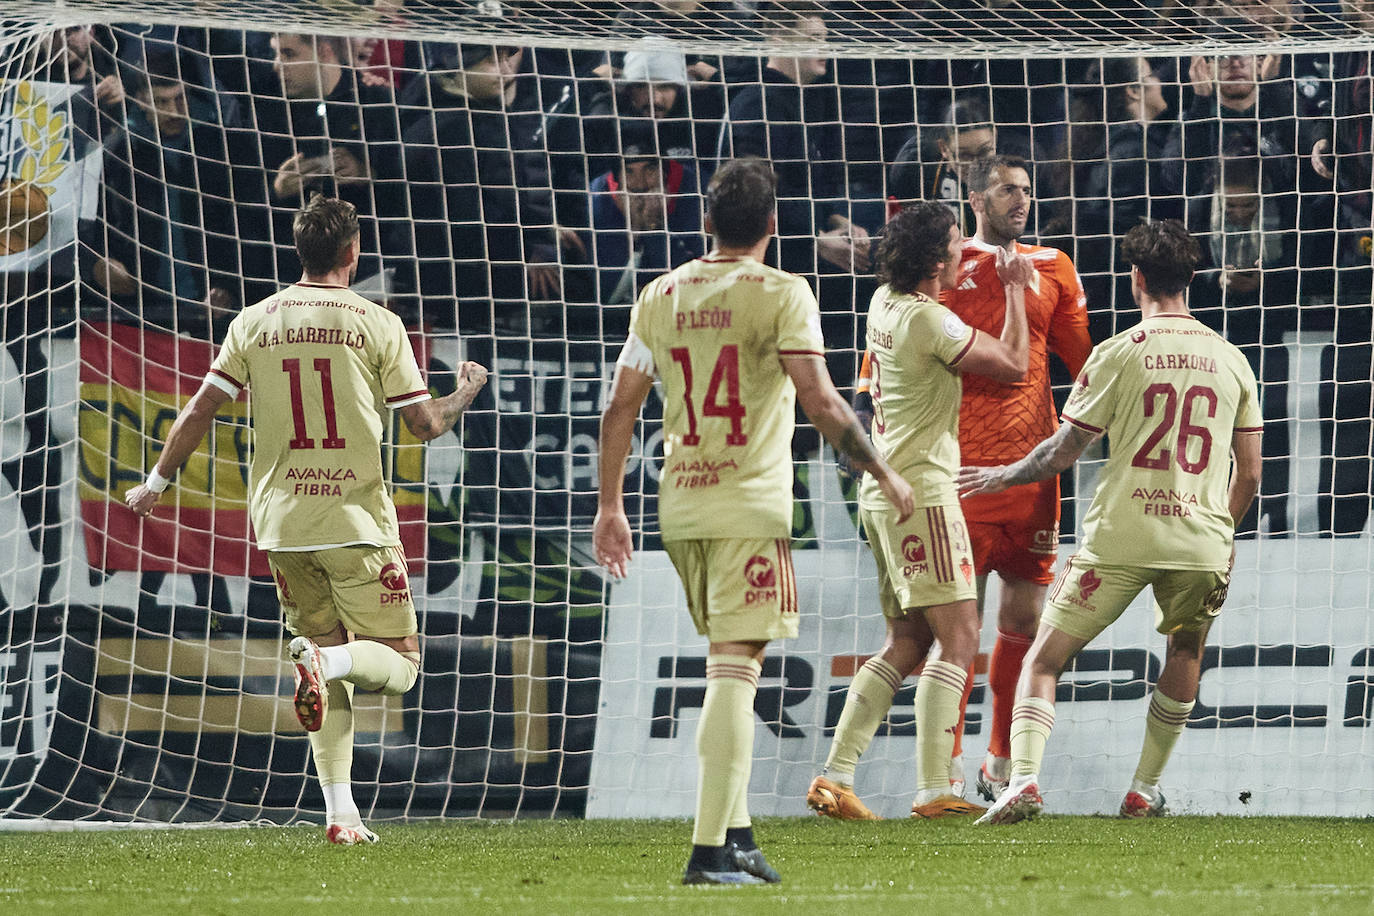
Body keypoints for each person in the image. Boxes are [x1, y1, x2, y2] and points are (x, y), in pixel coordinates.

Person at [124, 196, 489, 844]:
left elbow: (200, 409)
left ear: (302, 251)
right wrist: (466, 388)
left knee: (325, 655)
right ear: (353, 251)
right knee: (400, 664)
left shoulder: (254, 320)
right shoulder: (377, 323)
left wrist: (154, 482)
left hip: (283, 526)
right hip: (354, 520)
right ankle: (330, 671)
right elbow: (425, 424)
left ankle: (342, 815)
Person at [594, 158, 914, 884]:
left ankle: (736, 834)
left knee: (730, 664)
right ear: (773, 225)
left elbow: (620, 408)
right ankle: (709, 852)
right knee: (734, 671)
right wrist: (884, 470)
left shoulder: (661, 292)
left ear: (706, 221)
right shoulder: (783, 292)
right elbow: (823, 401)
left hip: (679, 503)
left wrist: (612, 505)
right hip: (747, 503)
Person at [960, 219, 1262, 825]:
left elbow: (1060, 452)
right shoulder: (1232, 361)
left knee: (1044, 658)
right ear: (1194, 277)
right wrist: (1221, 532)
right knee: (1184, 649)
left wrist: (1000, 475)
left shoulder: (1118, 353)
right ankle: (1143, 791)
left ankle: (1022, 781)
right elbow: (1250, 474)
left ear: (1136, 278)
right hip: (1200, 541)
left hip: (1121, 535)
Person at [841, 155, 1092, 807]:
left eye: (1029, 190)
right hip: (947, 484)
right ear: (975, 202)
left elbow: (1082, 362)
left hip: (1028, 476)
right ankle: (938, 781)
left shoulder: (1053, 267)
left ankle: (996, 759)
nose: (1023, 200)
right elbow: (996, 363)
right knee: (955, 633)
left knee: (1008, 619)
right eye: (1008, 189)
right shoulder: (931, 296)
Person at [807, 199, 1032, 822]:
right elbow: (1013, 365)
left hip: (882, 493)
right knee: (959, 637)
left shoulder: (885, 302)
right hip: (923, 494)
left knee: (906, 640)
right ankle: (936, 788)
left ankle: (835, 775)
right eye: (958, 245)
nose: (965, 252)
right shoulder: (928, 322)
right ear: (937, 263)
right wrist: (1014, 293)